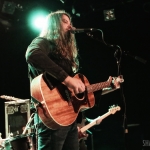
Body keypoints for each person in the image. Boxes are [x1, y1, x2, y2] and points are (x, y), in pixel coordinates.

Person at [25, 10, 123, 150]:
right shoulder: (43, 42)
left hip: (69, 119)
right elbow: (32, 54)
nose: (70, 26)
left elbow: (81, 94)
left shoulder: (63, 54)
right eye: (64, 22)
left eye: (70, 22)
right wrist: (68, 80)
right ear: (54, 25)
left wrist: (109, 86)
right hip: (53, 114)